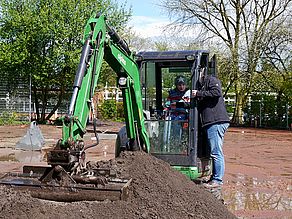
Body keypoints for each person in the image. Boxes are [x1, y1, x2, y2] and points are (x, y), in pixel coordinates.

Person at [192, 72, 230, 188]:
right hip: (215, 122)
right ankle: (215, 178)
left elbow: (217, 92)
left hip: (216, 122)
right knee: (216, 152)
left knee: (216, 152)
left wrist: (198, 93)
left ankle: (217, 180)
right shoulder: (206, 83)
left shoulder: (211, 80)